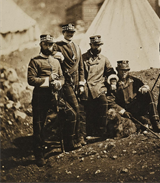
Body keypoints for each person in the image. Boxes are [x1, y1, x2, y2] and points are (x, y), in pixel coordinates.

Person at [27, 34, 77, 166]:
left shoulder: (56, 61)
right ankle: (39, 155)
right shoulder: (35, 61)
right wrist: (48, 81)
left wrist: (59, 84)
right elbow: (31, 80)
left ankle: (68, 144)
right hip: (40, 97)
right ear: (41, 45)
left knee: (71, 114)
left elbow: (62, 77)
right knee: (39, 125)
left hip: (55, 96)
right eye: (46, 44)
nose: (48, 47)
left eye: (50, 44)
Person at [107, 60, 160, 133]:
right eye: (121, 70)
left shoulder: (134, 81)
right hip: (123, 112)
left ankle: (155, 122)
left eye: (126, 70)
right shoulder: (113, 84)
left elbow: (143, 87)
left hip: (135, 108)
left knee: (148, 92)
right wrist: (123, 111)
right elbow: (110, 101)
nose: (124, 72)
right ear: (117, 70)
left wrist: (144, 88)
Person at [53, 23, 86, 147]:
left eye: (72, 32)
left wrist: (81, 83)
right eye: (68, 32)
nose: (70, 34)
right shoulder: (58, 46)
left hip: (76, 83)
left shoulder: (77, 47)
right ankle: (71, 141)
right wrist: (56, 56)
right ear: (63, 33)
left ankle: (79, 138)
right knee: (75, 109)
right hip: (65, 82)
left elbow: (81, 67)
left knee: (79, 110)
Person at [82, 35, 118, 138]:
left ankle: (102, 132)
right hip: (87, 87)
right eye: (95, 45)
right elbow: (80, 73)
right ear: (90, 45)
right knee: (87, 109)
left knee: (103, 103)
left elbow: (110, 71)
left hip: (99, 87)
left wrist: (113, 82)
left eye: (99, 45)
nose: (97, 47)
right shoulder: (83, 58)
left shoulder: (103, 59)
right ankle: (89, 133)